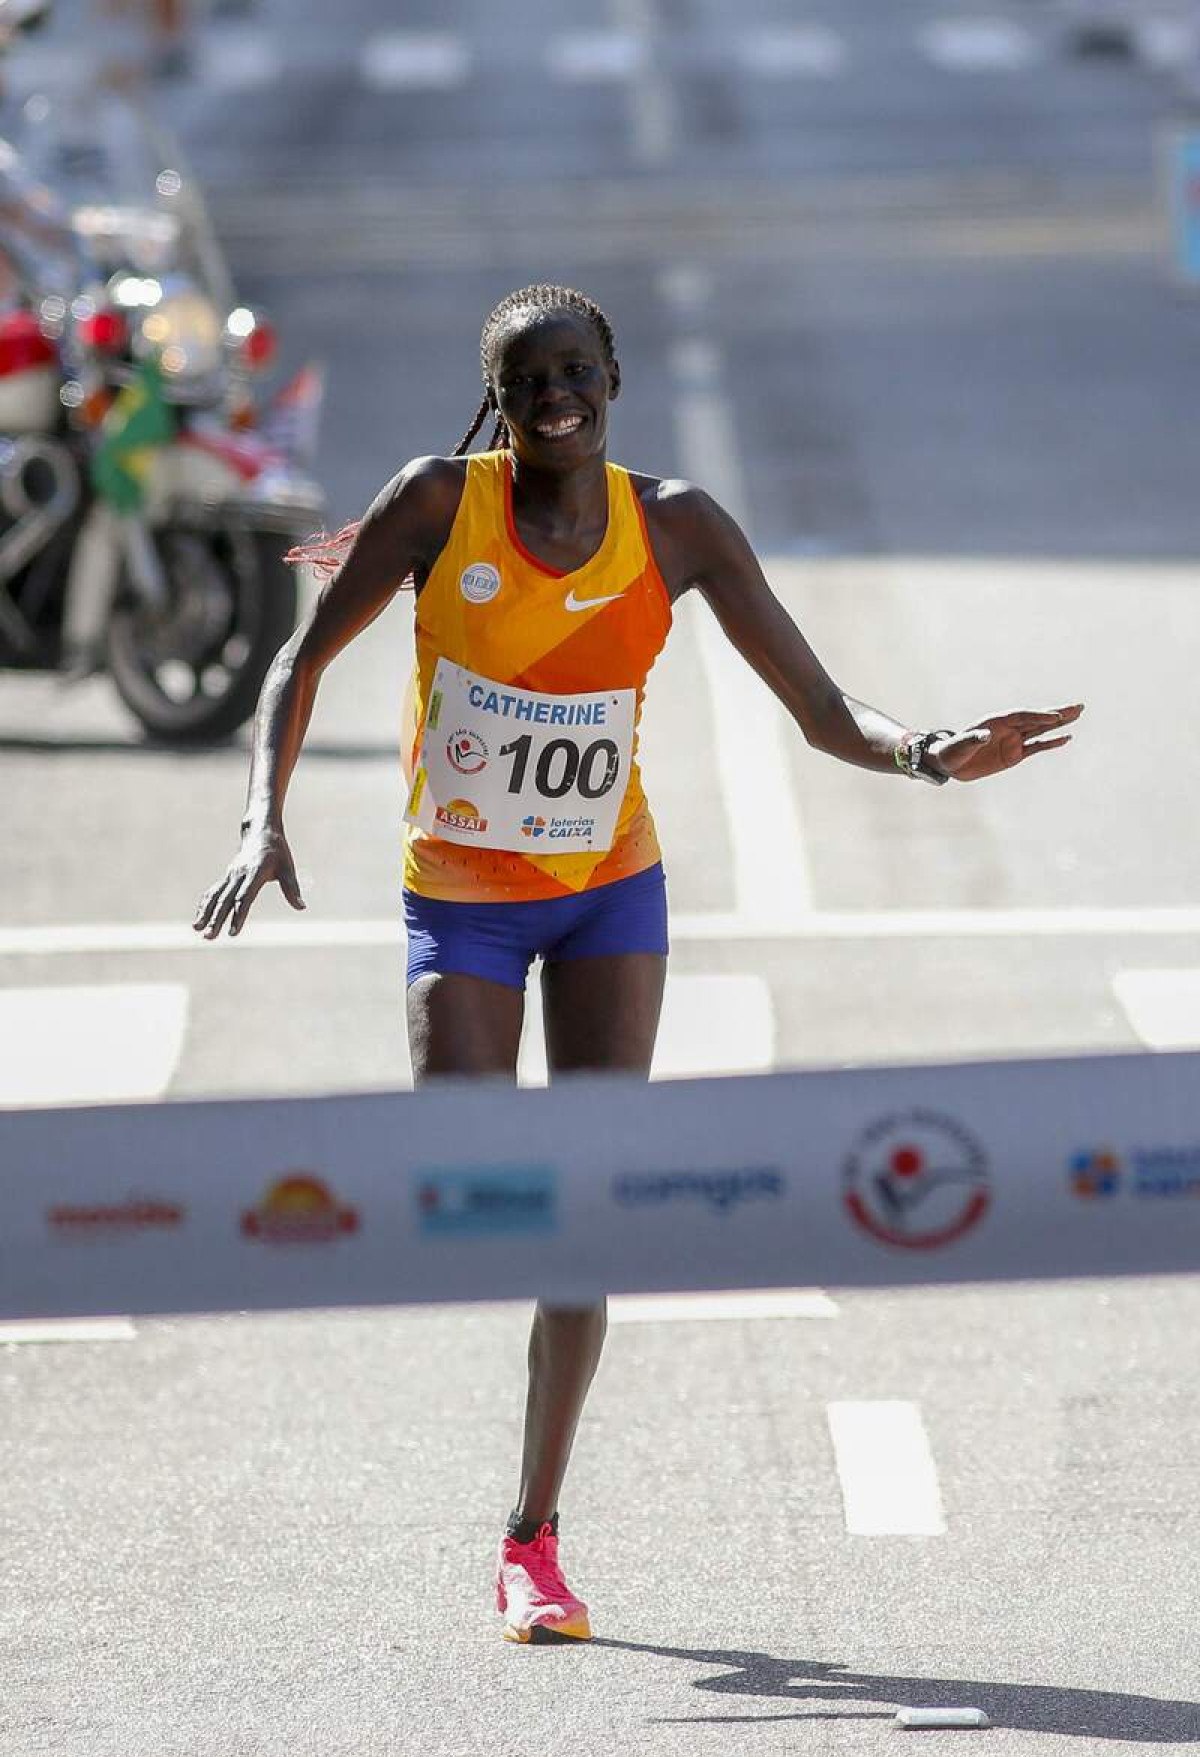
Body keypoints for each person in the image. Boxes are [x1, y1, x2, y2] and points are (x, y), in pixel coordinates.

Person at [193, 282, 1083, 1645]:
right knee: (467, 1175)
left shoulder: (678, 527)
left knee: (579, 1208)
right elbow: (296, 670)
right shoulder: (441, 506)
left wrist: (926, 750)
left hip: (613, 895)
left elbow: (821, 704)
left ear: (614, 378)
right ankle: (531, 1462)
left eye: (577, 374)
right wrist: (267, 814)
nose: (556, 397)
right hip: (467, 902)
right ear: (499, 399)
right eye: (528, 380)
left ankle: (533, 1536)